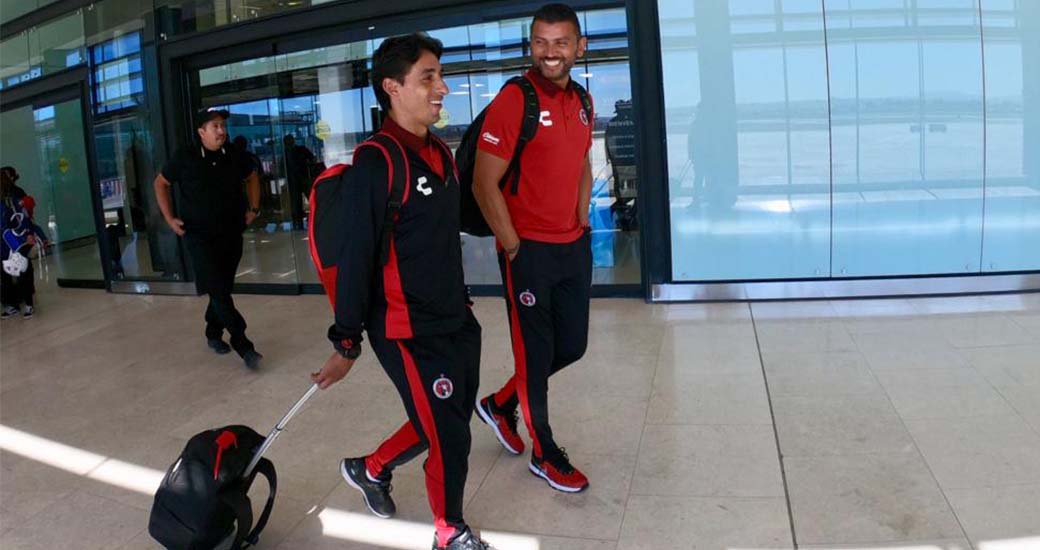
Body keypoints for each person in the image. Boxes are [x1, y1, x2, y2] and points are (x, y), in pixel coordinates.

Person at [308, 33, 491, 550]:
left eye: (440, 75)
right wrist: (346, 342)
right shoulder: (376, 162)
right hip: (405, 327)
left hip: (455, 316)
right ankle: (449, 532)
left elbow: (444, 236)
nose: (443, 88)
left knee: (445, 415)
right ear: (392, 86)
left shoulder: (439, 152)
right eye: (428, 77)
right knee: (451, 434)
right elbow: (356, 258)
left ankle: (371, 468)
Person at [471, 3, 594, 493]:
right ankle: (544, 452)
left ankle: (500, 404)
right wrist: (514, 246)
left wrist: (582, 220)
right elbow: (485, 184)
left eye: (561, 42)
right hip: (529, 252)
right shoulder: (513, 99)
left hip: (572, 245)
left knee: (572, 346)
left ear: (578, 47)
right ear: (531, 46)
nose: (550, 52)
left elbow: (583, 161)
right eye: (541, 42)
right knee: (535, 351)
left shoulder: (583, 100)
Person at [153, 108, 264, 369]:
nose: (221, 130)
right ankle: (243, 344)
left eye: (223, 125)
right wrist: (169, 218)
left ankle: (212, 333)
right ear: (201, 132)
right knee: (217, 287)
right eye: (214, 126)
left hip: (231, 232)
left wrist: (254, 208)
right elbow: (160, 183)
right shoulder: (185, 157)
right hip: (199, 236)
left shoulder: (234, 154)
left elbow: (252, 177)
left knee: (221, 288)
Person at [1, 166, 38, 319]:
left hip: (15, 241)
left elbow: (24, 217)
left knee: (21, 271)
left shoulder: (13, 199)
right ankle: (12, 305)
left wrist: (29, 234)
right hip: (4, 243)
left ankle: (28, 304)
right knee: (6, 274)